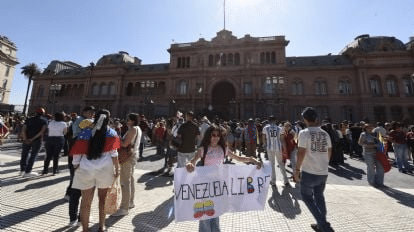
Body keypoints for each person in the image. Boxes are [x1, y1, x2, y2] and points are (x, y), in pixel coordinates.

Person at [185, 125, 262, 232]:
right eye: (213, 135)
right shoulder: (203, 149)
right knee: (205, 214)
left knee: (216, 213)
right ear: (208, 136)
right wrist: (189, 164)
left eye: (218, 135)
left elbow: (238, 158)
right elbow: (192, 161)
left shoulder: (223, 149)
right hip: (205, 186)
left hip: (218, 186)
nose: (215, 137)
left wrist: (252, 160)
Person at [70, 109, 121, 232]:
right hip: (105, 170)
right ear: (108, 120)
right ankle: (101, 226)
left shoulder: (85, 132)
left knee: (85, 202)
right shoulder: (112, 133)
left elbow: (77, 153)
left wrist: (76, 166)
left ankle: (85, 229)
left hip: (86, 169)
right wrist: (117, 169)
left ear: (95, 118)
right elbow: (114, 154)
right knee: (102, 200)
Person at [293, 107, 334, 232]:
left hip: (309, 172)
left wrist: (297, 170)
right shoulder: (325, 133)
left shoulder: (304, 133)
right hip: (323, 172)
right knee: (319, 197)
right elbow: (329, 151)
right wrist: (323, 163)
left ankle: (324, 225)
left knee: (307, 197)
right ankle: (320, 224)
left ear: (304, 119)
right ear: (316, 119)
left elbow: (301, 153)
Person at [66, 106, 95, 227]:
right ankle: (81, 218)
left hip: (77, 164)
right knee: (85, 194)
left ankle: (73, 219)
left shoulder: (79, 136)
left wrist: (75, 166)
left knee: (75, 191)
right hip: (87, 167)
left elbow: (75, 154)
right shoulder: (90, 137)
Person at [112, 113, 142, 216]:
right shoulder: (138, 128)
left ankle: (124, 208)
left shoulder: (133, 129)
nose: (126, 121)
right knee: (130, 179)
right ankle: (130, 202)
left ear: (132, 120)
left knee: (125, 182)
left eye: (128, 119)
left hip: (127, 157)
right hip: (133, 156)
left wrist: (116, 137)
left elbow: (125, 144)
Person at [19, 108, 48, 177]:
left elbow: (23, 129)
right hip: (37, 140)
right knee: (33, 155)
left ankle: (22, 170)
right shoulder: (44, 121)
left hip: (27, 139)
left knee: (24, 154)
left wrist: (25, 138)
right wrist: (32, 139)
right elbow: (41, 132)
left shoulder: (29, 119)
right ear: (43, 113)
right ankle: (28, 171)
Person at [262, 116, 289, 187]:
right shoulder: (280, 128)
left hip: (269, 147)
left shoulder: (265, 128)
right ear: (275, 121)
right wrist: (285, 148)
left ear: (269, 121)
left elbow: (264, 138)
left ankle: (273, 181)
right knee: (281, 163)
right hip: (278, 148)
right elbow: (282, 140)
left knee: (272, 164)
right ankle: (286, 180)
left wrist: (264, 145)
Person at [358, 123, 384, 187]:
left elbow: (382, 141)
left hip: (377, 152)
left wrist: (383, 140)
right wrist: (367, 145)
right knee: (371, 168)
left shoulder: (376, 133)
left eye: (371, 127)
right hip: (368, 152)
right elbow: (360, 143)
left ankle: (380, 182)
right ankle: (372, 182)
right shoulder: (363, 134)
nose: (370, 128)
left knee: (380, 167)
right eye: (368, 127)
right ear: (365, 128)